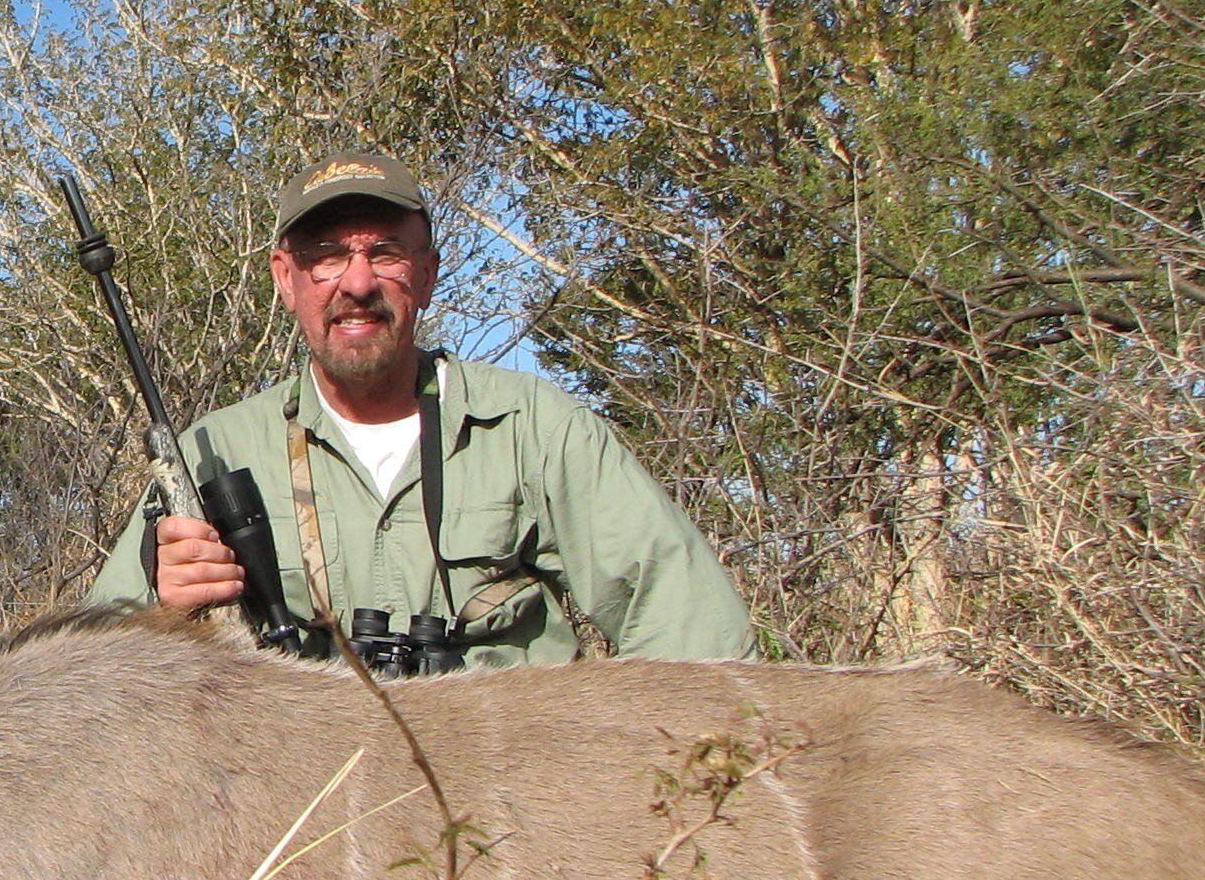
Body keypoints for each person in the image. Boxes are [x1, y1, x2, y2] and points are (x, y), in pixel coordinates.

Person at [86, 152, 755, 667]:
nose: (357, 283)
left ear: (427, 275)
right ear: (286, 280)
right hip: (298, 810)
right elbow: (92, 668)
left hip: (504, 798)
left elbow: (689, 627)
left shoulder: (534, 427)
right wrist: (165, 607)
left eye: (385, 253)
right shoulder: (213, 454)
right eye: (326, 259)